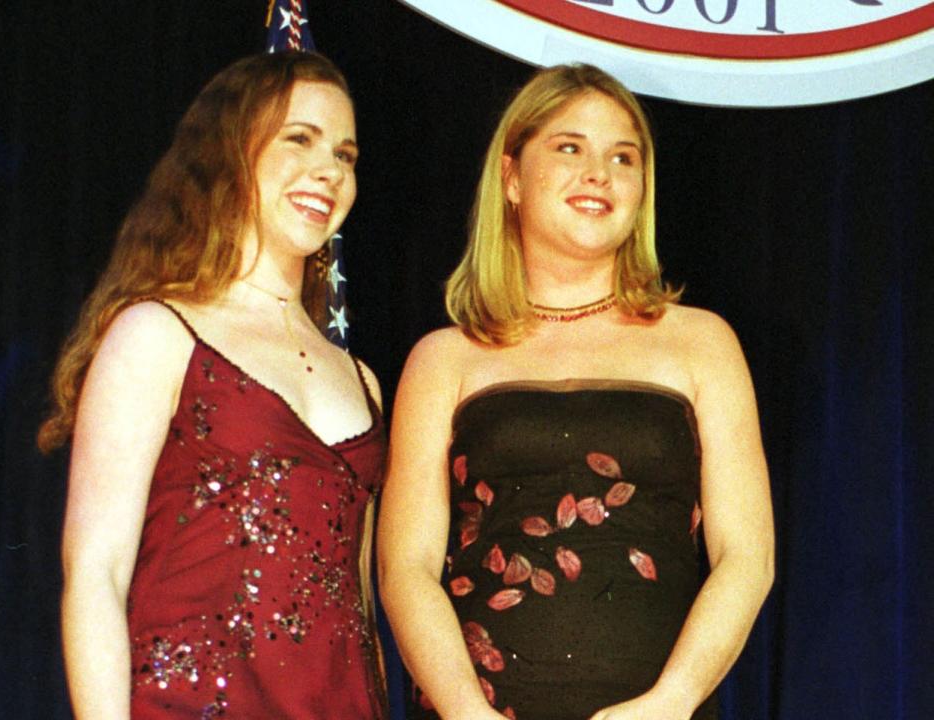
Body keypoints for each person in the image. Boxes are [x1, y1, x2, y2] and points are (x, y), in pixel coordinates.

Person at [377, 63, 774, 720]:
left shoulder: (702, 343)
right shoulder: (443, 358)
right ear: (511, 177)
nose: (599, 173)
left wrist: (669, 705)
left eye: (623, 156)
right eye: (570, 148)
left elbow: (746, 556)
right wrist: (467, 715)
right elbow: (406, 568)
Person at [38, 51, 386, 719]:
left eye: (345, 155)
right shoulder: (157, 333)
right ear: (232, 151)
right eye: (300, 139)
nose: (329, 170)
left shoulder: (362, 381)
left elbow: (359, 608)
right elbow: (96, 576)